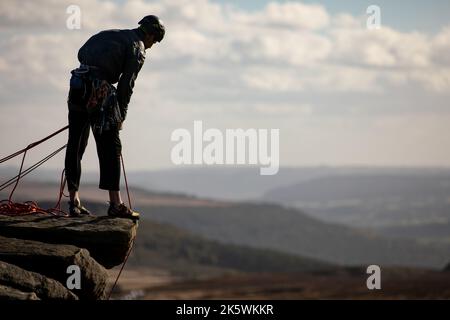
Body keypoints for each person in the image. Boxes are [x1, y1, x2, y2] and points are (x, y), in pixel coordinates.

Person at [64, 15, 165, 219]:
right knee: (111, 146)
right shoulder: (137, 47)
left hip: (77, 86)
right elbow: (126, 85)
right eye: (154, 42)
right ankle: (115, 204)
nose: (152, 46)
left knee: (76, 144)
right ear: (151, 35)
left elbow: (81, 52)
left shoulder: (110, 34)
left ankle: (74, 201)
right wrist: (121, 115)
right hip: (99, 90)